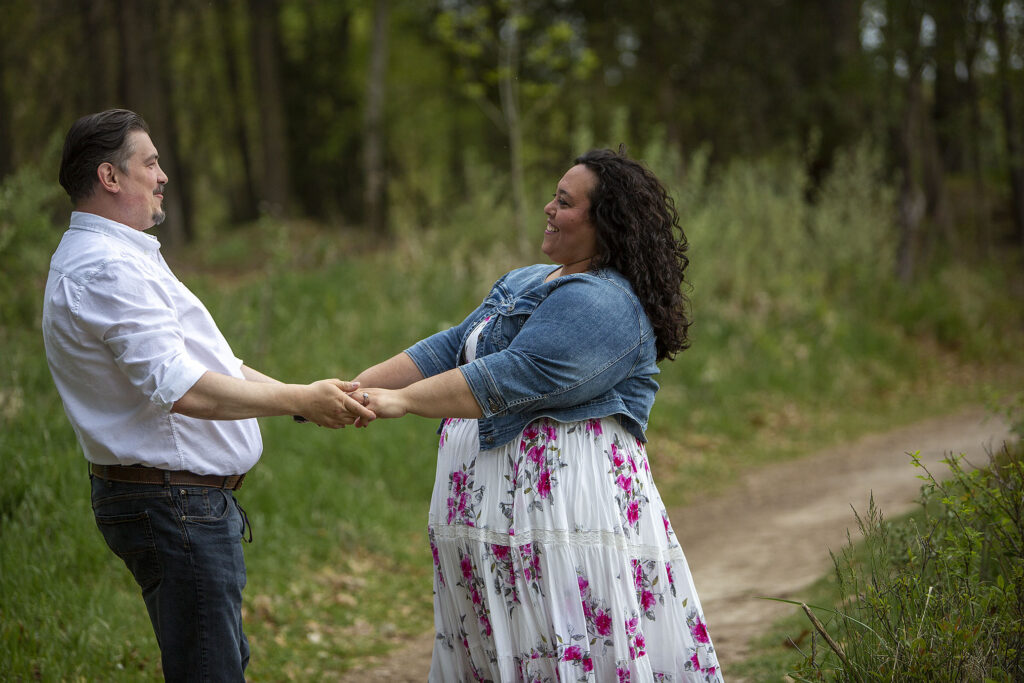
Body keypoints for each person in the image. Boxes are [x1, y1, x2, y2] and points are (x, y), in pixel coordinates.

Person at [354, 148, 722, 681]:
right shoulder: (529, 280)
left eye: (565, 202)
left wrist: (403, 402)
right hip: (488, 527)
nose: (549, 208)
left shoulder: (608, 304)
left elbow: (514, 375)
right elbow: (451, 347)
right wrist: (352, 389)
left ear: (606, 222)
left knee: (559, 653)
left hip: (558, 528)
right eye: (554, 195)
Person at [41, 109, 374, 681]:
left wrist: (306, 401)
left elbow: (218, 367)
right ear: (109, 177)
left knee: (218, 663)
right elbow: (185, 390)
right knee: (210, 671)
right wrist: (301, 396)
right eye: (150, 162)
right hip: (175, 506)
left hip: (183, 504)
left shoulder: (126, 258)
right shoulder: (104, 270)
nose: (163, 175)